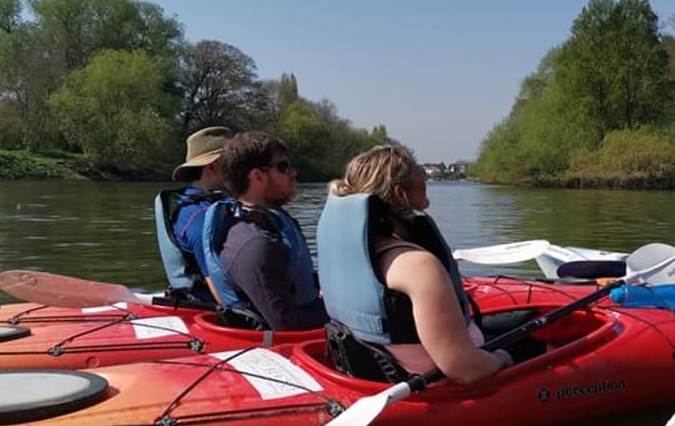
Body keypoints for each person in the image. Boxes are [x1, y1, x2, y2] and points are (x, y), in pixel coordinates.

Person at [315, 144, 514, 384]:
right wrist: (504, 358)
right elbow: (463, 367)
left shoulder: (352, 254)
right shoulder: (418, 267)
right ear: (401, 194)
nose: (424, 176)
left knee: (515, 320)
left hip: (375, 369)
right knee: (540, 341)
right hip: (440, 381)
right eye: (419, 171)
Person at [202, 130, 328, 331]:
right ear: (258, 176)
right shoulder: (255, 244)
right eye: (283, 167)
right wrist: (343, 317)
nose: (293, 173)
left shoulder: (272, 225)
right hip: (281, 345)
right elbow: (285, 324)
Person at [154, 126, 232, 301]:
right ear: (213, 167)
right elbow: (222, 295)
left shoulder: (213, 203)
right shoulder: (200, 218)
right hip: (209, 306)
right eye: (234, 164)